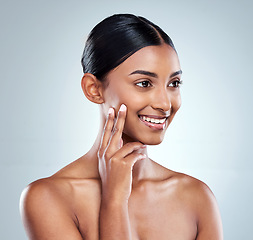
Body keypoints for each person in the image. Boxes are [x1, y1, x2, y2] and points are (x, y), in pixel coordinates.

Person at [20, 14, 223, 240]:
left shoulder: (197, 197)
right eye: (144, 83)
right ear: (94, 89)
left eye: (173, 83)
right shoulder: (48, 198)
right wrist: (114, 200)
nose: (165, 103)